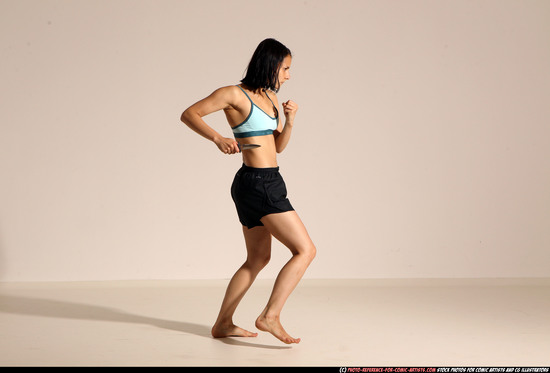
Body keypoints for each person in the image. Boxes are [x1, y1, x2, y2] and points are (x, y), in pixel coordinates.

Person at [180, 38, 316, 344]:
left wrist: (290, 121)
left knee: (257, 260)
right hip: (260, 184)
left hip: (261, 180)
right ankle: (270, 316)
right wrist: (217, 139)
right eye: (286, 68)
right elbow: (189, 113)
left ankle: (223, 324)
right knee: (305, 250)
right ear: (270, 64)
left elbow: (277, 147)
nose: (288, 76)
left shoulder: (269, 98)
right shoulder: (232, 94)